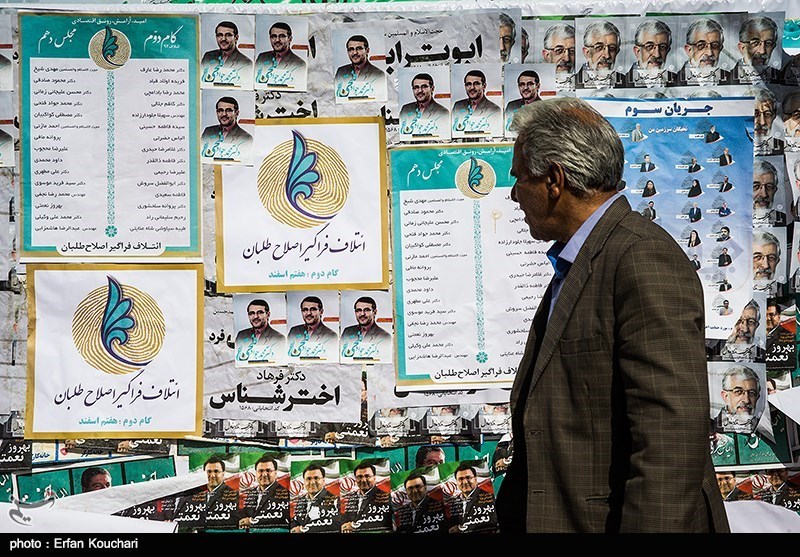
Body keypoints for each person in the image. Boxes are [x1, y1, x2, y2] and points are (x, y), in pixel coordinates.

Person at [496, 97, 728, 532]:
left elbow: (671, 437)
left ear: (554, 181)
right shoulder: (585, 258)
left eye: (519, 178)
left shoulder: (640, 258)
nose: (513, 194)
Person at [238, 455, 289, 530]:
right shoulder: (252, 493)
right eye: (261, 471)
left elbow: (282, 519)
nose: (264, 474)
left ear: (275, 473)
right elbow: (245, 513)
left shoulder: (284, 494)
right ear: (256, 473)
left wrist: (252, 522)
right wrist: (242, 522)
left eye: (268, 470)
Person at [340, 462, 392, 533]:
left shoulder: (385, 497)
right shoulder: (351, 497)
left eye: (367, 476)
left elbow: (384, 523)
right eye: (359, 477)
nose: (363, 480)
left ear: (374, 477)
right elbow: (345, 520)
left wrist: (353, 526)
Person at [677, 17, 730, 86]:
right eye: (701, 45)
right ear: (689, 50)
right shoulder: (674, 82)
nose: (709, 53)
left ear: (720, 49)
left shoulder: (730, 80)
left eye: (715, 45)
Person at [445, 463, 497, 533]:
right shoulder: (454, 502)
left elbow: (492, 522)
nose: (465, 482)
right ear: (456, 482)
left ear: (475, 479)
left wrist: (461, 529)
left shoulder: (487, 497)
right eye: (461, 479)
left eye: (468, 477)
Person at [711, 365, 761, 435]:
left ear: (757, 397)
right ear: (726, 396)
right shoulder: (711, 429)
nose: (746, 400)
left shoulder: (765, 430)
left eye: (752, 393)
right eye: (738, 392)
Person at [254, 21, 307, 86]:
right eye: (273, 36)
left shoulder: (299, 64)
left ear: (290, 39)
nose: (277, 40)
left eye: (282, 36)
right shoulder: (262, 57)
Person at [626, 19, 676, 87]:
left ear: (668, 50)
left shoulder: (677, 81)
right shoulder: (622, 83)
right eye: (650, 46)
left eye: (662, 47)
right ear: (637, 52)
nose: (657, 55)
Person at [290, 463, 339, 533]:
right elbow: (296, 520)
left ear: (323, 480)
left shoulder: (335, 500)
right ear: (304, 481)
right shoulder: (301, 501)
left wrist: (302, 530)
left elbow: (336, 524)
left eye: (316, 478)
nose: (312, 482)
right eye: (308, 479)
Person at [576, 20, 624, 89]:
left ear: (617, 52)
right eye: (599, 47)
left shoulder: (626, 82)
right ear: (587, 53)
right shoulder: (573, 83)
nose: (607, 55)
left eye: (612, 48)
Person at [334, 35, 386, 99]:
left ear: (367, 51)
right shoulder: (341, 71)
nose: (355, 53)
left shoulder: (378, 75)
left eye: (359, 48)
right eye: (351, 49)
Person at [235, 299, 286, 363]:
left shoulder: (279, 338)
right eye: (251, 313)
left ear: (268, 315)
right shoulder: (241, 335)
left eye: (260, 312)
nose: (255, 316)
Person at [733, 16, 780, 84]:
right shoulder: (727, 79)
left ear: (773, 47)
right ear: (742, 48)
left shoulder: (780, 76)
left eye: (768, 43)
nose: (762, 51)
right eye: (755, 43)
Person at [749, 86, 784, 155]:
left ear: (774, 116)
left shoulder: (783, 148)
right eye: (755, 114)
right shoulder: (732, 145)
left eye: (768, 114)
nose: (762, 122)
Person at [753, 158, 786, 225]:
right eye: (756, 186)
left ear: (775, 190)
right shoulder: (736, 220)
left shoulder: (785, 220)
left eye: (769, 187)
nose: (764, 194)